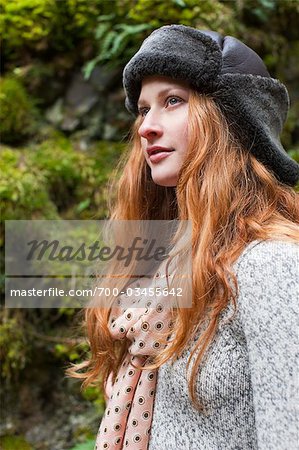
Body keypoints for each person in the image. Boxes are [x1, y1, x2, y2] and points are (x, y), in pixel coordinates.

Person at [69, 25, 299, 449]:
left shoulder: (272, 265)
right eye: (143, 109)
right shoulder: (160, 265)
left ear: (231, 120)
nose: (146, 127)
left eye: (172, 101)